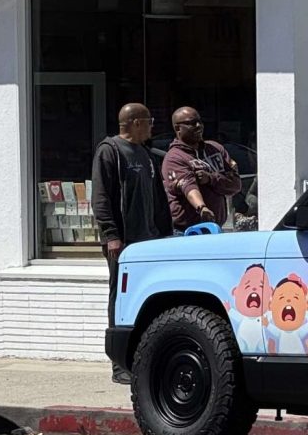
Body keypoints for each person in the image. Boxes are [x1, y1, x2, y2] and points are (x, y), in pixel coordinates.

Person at [92, 103, 172, 384]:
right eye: (149, 121)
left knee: (145, 299)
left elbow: (158, 198)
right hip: (124, 243)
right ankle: (119, 365)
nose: (152, 125)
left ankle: (141, 360)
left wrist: (165, 234)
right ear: (135, 122)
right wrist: (111, 235)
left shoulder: (147, 154)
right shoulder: (110, 151)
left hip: (149, 241)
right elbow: (101, 197)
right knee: (121, 299)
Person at [161, 107, 242, 232]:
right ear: (178, 128)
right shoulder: (174, 157)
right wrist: (202, 208)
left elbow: (235, 185)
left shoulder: (215, 149)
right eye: (192, 123)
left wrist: (210, 178)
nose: (198, 126)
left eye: (200, 122)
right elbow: (188, 186)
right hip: (188, 230)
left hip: (216, 228)